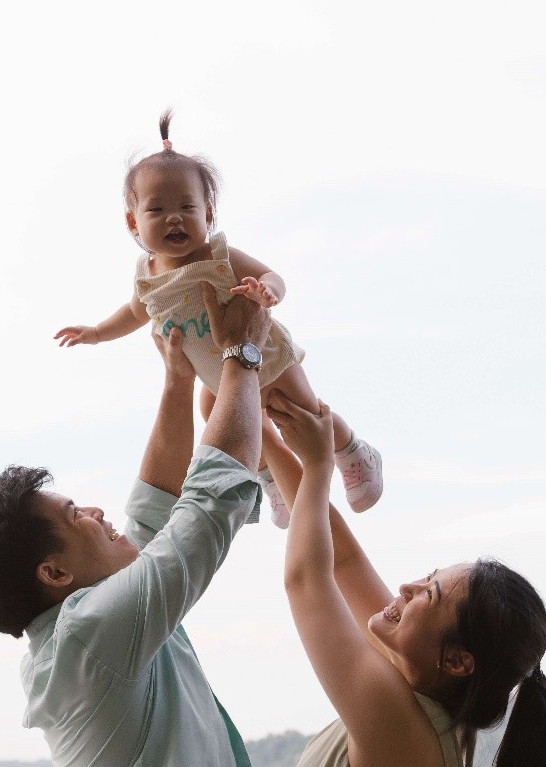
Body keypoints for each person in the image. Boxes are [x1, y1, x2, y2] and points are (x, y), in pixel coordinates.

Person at [0, 283, 272, 767]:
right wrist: (242, 354)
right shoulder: (89, 635)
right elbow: (208, 507)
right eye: (75, 514)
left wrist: (177, 382)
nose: (97, 513)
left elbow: (153, 512)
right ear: (54, 573)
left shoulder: (82, 627)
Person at [54, 110, 382, 528]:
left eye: (187, 206)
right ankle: (270, 479)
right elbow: (134, 312)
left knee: (303, 414)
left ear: (208, 215)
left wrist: (268, 292)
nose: (174, 217)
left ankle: (353, 452)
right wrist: (98, 332)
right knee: (218, 415)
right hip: (219, 374)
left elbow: (272, 274)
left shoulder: (216, 256)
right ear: (132, 222)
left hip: (265, 358)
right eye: (157, 209)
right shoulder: (147, 276)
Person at [263, 392, 546, 767]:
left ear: (457, 660)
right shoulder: (424, 686)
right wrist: (269, 441)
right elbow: (346, 563)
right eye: (428, 577)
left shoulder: (404, 730)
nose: (407, 588)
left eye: (430, 594)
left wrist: (319, 464)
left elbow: (306, 581)